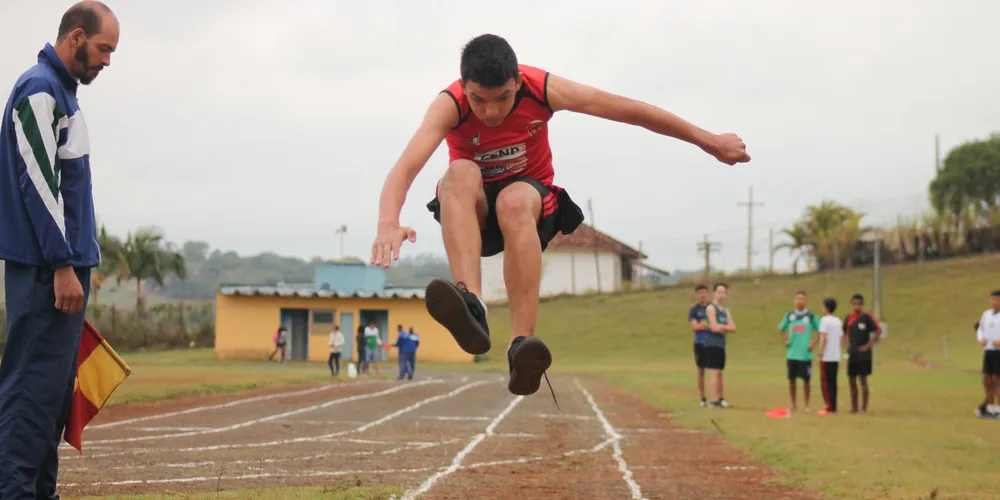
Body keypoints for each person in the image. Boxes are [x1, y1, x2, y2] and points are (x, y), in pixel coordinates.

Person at [369, 34, 751, 399]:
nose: (491, 112)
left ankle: (522, 345)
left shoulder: (543, 88)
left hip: (529, 207)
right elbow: (405, 166)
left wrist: (709, 141)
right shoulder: (449, 105)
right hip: (473, 214)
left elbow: (632, 111)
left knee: (514, 200)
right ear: (464, 87)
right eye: (479, 100)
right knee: (458, 174)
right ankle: (472, 305)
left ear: (517, 82)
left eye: (502, 98)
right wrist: (388, 221)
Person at [0, 2, 119, 497]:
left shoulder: (63, 95)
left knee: (50, 402)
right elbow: (39, 185)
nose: (108, 61)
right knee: (30, 397)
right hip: (47, 276)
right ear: (75, 37)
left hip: (64, 273)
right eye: (103, 49)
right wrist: (62, 264)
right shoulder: (39, 90)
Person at [778, 291, 820, 411]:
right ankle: (793, 403)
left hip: (805, 354)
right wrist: (786, 340)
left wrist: (813, 343)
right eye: (798, 299)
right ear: (794, 300)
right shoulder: (789, 315)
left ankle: (806, 404)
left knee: (806, 380)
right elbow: (781, 328)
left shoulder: (811, 316)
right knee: (792, 379)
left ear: (806, 301)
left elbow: (820, 330)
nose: (800, 301)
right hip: (792, 353)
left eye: (802, 299)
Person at [844, 293, 882, 413]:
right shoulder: (849, 318)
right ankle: (854, 407)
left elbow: (878, 330)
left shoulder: (867, 317)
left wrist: (868, 345)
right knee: (851, 379)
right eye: (854, 304)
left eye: (859, 304)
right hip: (853, 353)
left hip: (863, 354)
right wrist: (846, 345)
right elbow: (843, 332)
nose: (856, 306)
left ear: (862, 305)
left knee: (863, 380)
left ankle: (863, 407)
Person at [704, 283, 736, 408]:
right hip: (712, 343)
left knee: (720, 373)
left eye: (723, 292)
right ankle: (714, 399)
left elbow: (733, 327)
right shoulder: (711, 308)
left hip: (721, 344)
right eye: (719, 292)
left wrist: (722, 327)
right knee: (714, 372)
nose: (721, 295)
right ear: (714, 293)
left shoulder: (725, 311)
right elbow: (713, 327)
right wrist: (723, 327)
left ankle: (721, 398)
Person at [817, 298, 845, 416]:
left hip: (827, 356)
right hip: (835, 356)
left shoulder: (824, 320)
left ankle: (829, 407)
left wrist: (820, 353)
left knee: (825, 382)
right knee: (833, 382)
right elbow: (841, 338)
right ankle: (833, 406)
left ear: (826, 308)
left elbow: (824, 338)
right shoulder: (838, 321)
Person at [974, 290, 1000, 419]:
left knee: (998, 382)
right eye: (993, 300)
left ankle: (997, 410)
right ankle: (989, 408)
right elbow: (980, 329)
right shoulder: (987, 314)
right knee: (987, 381)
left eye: (997, 300)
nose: (994, 303)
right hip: (989, 351)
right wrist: (981, 339)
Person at [688, 284, 711, 406]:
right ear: (697, 294)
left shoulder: (713, 308)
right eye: (700, 292)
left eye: (704, 292)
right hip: (700, 342)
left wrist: (704, 324)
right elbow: (695, 327)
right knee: (701, 370)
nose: (702, 294)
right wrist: (704, 325)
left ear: (707, 293)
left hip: (712, 342)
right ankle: (703, 398)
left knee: (715, 370)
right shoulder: (694, 309)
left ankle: (716, 397)